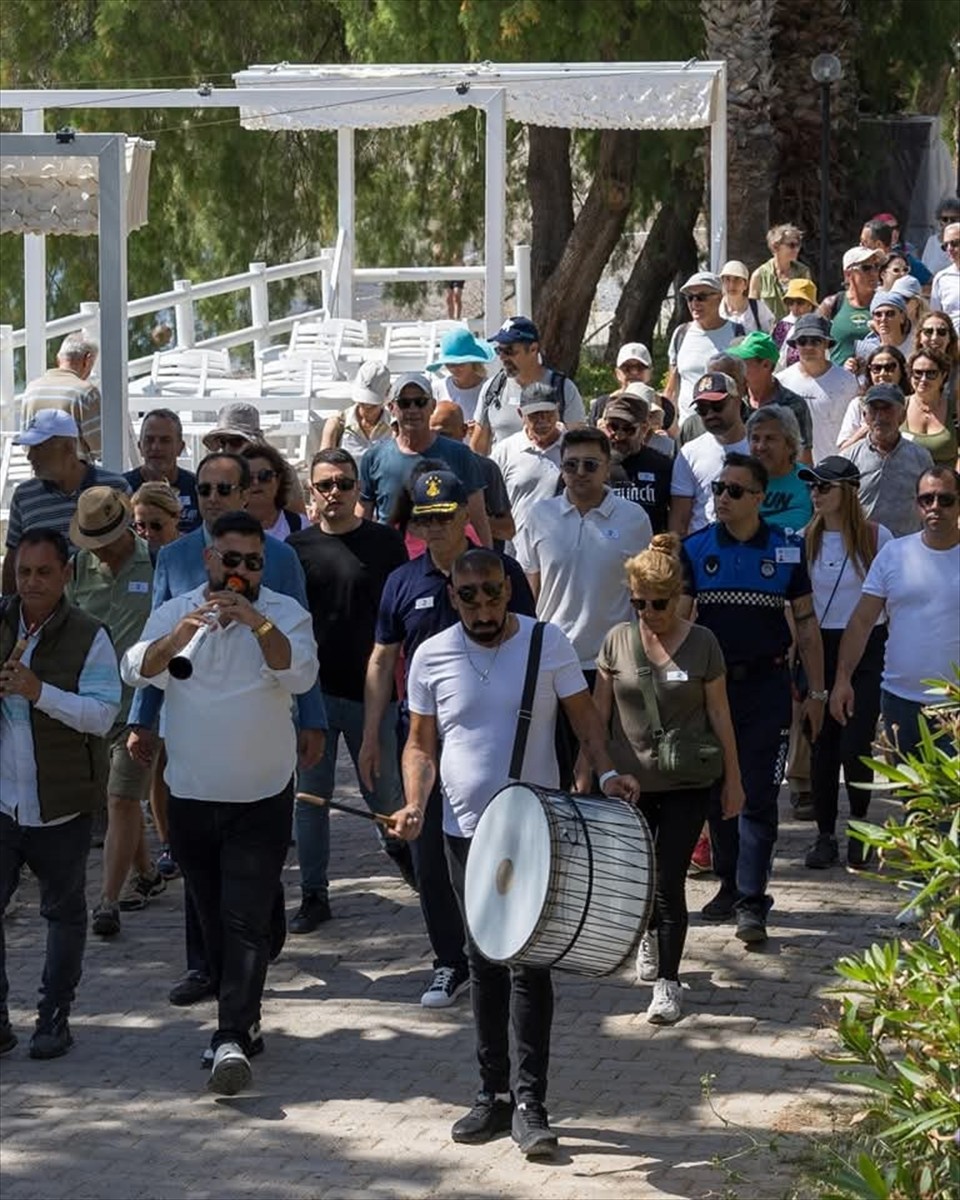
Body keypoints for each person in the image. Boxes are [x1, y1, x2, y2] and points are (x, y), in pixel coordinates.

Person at [391, 546, 640, 1157]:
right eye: (468, 594)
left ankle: (532, 1103)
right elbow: (421, 746)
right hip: (463, 831)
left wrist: (606, 776)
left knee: (529, 963)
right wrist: (414, 802)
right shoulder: (431, 654)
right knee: (481, 960)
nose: (482, 604)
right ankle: (492, 1095)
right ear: (453, 596)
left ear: (509, 590)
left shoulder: (545, 643)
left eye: (492, 591)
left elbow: (586, 724)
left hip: (534, 827)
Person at [122, 511, 318, 1095]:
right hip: (189, 794)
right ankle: (246, 1014)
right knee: (215, 918)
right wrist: (178, 636)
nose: (239, 572)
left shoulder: (283, 613)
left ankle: (230, 1034)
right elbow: (138, 669)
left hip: (261, 794)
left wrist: (256, 622)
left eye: (251, 563)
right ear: (210, 559)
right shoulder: (177, 610)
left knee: (240, 920)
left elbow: (301, 675)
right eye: (229, 560)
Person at [359, 472, 535, 1010]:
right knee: (430, 851)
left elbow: (530, 647)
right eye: (424, 519)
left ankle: (509, 947)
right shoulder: (401, 581)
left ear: (465, 516)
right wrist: (369, 736)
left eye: (444, 516)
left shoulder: (501, 574)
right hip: (422, 735)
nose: (435, 528)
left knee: (502, 844)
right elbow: (383, 656)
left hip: (491, 734)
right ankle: (449, 960)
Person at [589, 535, 742, 1024]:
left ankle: (668, 984)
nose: (647, 612)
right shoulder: (616, 641)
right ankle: (650, 936)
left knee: (669, 875)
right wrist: (589, 769)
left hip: (685, 782)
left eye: (656, 604)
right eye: (637, 603)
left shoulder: (704, 644)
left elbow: (720, 714)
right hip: (629, 783)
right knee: (640, 876)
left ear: (677, 598)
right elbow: (597, 714)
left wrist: (734, 779)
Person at [682, 453, 826, 945]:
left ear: (759, 499)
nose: (723, 498)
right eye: (719, 489)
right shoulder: (695, 549)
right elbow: (679, 628)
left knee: (759, 795)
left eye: (735, 491)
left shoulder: (787, 550)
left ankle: (752, 899)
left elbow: (805, 625)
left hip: (766, 688)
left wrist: (818, 691)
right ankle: (728, 882)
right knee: (718, 790)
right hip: (710, 691)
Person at [0, 529, 121, 1058]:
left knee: (63, 914)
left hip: (64, 803)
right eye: (24, 572)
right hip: (2, 803)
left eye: (43, 572)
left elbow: (101, 715)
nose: (32, 583)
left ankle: (54, 1017)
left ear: (66, 575)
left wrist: (38, 691)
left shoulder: (90, 634)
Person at [286, 449, 411, 931]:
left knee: (384, 794)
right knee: (311, 799)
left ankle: (403, 849)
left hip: (373, 692)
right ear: (311, 493)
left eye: (343, 483)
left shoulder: (384, 544)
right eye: (324, 485)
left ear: (359, 487)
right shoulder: (297, 549)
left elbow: (401, 616)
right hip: (313, 693)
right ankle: (314, 894)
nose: (334, 492)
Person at [515, 427, 652, 784]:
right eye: (570, 465)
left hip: (612, 663)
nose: (579, 473)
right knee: (558, 770)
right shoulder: (538, 515)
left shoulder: (634, 518)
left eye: (590, 465)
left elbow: (643, 594)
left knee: (606, 770)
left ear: (608, 468)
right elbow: (530, 591)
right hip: (553, 660)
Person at [64, 488, 159, 937]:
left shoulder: (157, 562)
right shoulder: (79, 568)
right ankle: (146, 872)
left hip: (141, 704)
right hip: (91, 703)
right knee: (116, 798)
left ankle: (107, 900)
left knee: (122, 798)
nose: (99, 546)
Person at [797, 458, 891, 870]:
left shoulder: (875, 536)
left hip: (866, 647)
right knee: (822, 745)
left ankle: (859, 828)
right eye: (812, 487)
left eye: (824, 487)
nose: (815, 493)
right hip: (818, 646)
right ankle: (824, 835)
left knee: (855, 745)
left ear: (848, 492)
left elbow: (887, 598)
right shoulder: (804, 539)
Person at [831, 467, 960, 759]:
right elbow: (862, 622)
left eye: (945, 499)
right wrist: (842, 679)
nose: (935, 507)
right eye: (927, 499)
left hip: (955, 707)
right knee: (910, 802)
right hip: (899, 702)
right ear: (917, 505)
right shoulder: (893, 554)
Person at [2, 410, 130, 596]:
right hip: (44, 610)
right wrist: (8, 611)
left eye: (38, 448)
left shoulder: (115, 488)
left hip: (104, 603)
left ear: (69, 447)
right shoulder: (24, 496)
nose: (30, 457)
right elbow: (14, 556)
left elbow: (133, 549)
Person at [359, 372, 492, 546]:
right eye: (404, 403)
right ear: (391, 408)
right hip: (392, 561)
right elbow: (363, 515)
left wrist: (489, 560)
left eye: (420, 402)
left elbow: (478, 518)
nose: (413, 410)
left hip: (447, 560)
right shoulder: (373, 457)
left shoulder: (461, 455)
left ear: (432, 406)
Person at [470, 316, 585, 454]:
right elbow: (478, 449)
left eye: (509, 351)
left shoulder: (563, 389)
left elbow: (579, 445)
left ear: (533, 349)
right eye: (499, 350)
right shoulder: (492, 389)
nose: (502, 357)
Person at [845, 385, 934, 537]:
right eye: (874, 410)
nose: (880, 417)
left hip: (906, 547)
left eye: (887, 409)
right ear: (865, 415)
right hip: (863, 548)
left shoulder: (920, 457)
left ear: (902, 416)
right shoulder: (850, 458)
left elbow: (930, 503)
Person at [669, 372, 749, 535]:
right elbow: (679, 519)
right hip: (701, 550)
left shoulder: (760, 447)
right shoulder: (689, 453)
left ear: (737, 400)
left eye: (717, 406)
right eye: (702, 410)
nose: (710, 414)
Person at [775, 314, 860, 463]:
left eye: (815, 341)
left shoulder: (847, 381)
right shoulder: (781, 381)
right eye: (802, 341)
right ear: (795, 345)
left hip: (834, 467)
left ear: (826, 343)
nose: (808, 346)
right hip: (794, 469)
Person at [429, 401, 515, 547]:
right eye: (433, 436)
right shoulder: (421, 470)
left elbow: (508, 529)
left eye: (445, 436)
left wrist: (468, 521)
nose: (440, 443)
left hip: (478, 563)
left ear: (463, 431)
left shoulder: (485, 469)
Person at [666, 272, 746, 423]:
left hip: (726, 427)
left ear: (720, 296)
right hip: (688, 428)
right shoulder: (681, 334)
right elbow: (672, 387)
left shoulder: (738, 333)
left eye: (701, 297)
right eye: (690, 298)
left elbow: (746, 382)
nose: (695, 303)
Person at [489, 382, 564, 542]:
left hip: (563, 550)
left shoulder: (572, 447)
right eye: (534, 415)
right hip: (517, 551)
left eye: (547, 413)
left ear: (558, 410)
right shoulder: (505, 451)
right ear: (520, 414)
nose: (542, 420)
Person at [202, 401, 306, 516]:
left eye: (235, 442)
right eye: (222, 442)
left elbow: (298, 519)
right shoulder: (213, 473)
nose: (227, 449)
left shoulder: (281, 470)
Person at [728, 331, 813, 462]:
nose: (738, 368)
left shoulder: (793, 405)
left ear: (766, 365)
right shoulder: (734, 401)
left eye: (743, 363)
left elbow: (803, 459)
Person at [598, 389, 673, 533]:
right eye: (612, 427)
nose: (619, 436)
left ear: (644, 429)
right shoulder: (593, 465)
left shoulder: (662, 466)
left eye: (628, 429)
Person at [20, 332, 101, 460]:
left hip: (39, 473)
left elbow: (25, 444)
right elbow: (100, 448)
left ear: (59, 358)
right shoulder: (86, 392)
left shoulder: (31, 389)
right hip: (77, 476)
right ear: (88, 360)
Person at [124, 409, 200, 534]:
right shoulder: (122, 489)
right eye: (149, 440)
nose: (156, 447)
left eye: (165, 440)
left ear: (180, 447)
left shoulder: (199, 489)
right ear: (140, 446)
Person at [746, 406, 813, 532]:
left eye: (770, 438)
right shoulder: (739, 483)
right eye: (755, 438)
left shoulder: (810, 482)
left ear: (790, 445)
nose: (761, 447)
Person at [836, 345, 910, 452]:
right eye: (876, 368)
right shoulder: (858, 404)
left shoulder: (912, 403)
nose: (882, 373)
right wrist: (869, 426)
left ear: (901, 370)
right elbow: (844, 450)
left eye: (890, 367)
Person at [819, 247, 881, 367]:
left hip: (877, 380)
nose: (874, 273)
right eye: (866, 268)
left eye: (876, 266)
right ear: (848, 274)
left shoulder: (885, 306)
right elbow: (814, 341)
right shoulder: (832, 304)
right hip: (839, 382)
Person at [320, 360, 392, 461]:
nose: (366, 409)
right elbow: (323, 466)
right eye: (362, 403)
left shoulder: (395, 426)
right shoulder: (337, 424)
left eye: (372, 406)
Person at [901, 348, 957, 465]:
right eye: (917, 373)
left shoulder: (955, 409)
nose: (923, 379)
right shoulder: (899, 406)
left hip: (946, 479)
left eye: (931, 373)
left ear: (943, 375)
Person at [240, 441, 305, 540]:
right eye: (248, 478)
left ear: (278, 480)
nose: (256, 482)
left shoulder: (300, 525)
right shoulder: (226, 528)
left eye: (264, 476)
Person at [426, 328, 496, 419]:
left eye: (460, 364)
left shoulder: (490, 388)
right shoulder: (437, 389)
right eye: (449, 364)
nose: (454, 369)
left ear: (473, 361)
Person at [748, 224, 811, 320]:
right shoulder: (759, 275)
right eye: (792, 245)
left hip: (796, 330)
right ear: (776, 246)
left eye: (798, 245)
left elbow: (808, 306)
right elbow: (752, 312)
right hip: (768, 332)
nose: (797, 250)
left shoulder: (803, 272)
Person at [588, 342, 654, 425]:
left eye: (640, 367)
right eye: (626, 368)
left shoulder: (663, 404)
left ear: (650, 372)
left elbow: (673, 434)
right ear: (617, 373)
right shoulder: (602, 404)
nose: (634, 372)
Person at [851, 291, 914, 368]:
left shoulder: (916, 344)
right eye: (878, 314)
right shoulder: (864, 350)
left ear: (902, 317)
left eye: (890, 314)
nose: (883, 319)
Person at [772, 278, 818, 368]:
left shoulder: (819, 326)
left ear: (810, 304)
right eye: (791, 302)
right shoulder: (783, 326)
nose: (795, 307)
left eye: (800, 302)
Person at [131, 481, 183, 561]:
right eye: (141, 525)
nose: (148, 533)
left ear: (176, 517)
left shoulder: (197, 552)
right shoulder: (129, 559)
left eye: (155, 525)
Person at [719, 260, 773, 332]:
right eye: (727, 279)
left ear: (745, 284)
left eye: (737, 279)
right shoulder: (715, 309)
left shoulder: (758, 308)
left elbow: (769, 336)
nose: (732, 285)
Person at [929, 222, 959, 332]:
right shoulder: (941, 278)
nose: (949, 249)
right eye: (945, 245)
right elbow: (935, 316)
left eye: (955, 243)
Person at [921, 196, 960, 274]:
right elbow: (924, 270)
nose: (948, 222)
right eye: (945, 219)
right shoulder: (932, 241)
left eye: (953, 219)